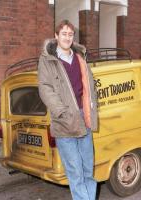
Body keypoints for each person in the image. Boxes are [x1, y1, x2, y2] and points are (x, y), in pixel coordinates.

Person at [38, 19, 98, 200]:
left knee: (88, 169)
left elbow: (90, 87)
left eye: (70, 34)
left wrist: (93, 107)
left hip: (84, 117)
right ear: (56, 36)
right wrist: (61, 112)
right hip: (64, 122)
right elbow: (45, 88)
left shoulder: (80, 58)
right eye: (63, 34)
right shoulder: (48, 60)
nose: (67, 37)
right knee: (75, 172)